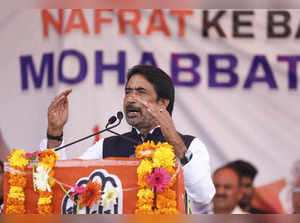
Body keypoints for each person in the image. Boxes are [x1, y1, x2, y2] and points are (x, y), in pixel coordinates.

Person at [41, 65, 216, 213]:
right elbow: (64, 185)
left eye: (141, 92)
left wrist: (177, 146)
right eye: (127, 92)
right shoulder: (107, 146)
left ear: (162, 103)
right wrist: (54, 133)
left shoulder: (189, 145)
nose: (130, 99)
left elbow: (203, 197)